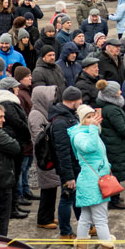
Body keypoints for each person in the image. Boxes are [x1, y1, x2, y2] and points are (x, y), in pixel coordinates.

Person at [69, 104, 117, 247]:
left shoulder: (88, 132)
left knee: (86, 217)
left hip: (92, 180)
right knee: (101, 219)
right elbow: (89, 148)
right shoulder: (80, 135)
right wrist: (94, 128)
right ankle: (107, 245)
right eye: (88, 117)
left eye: (92, 116)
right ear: (82, 120)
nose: (92, 119)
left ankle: (82, 245)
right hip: (94, 182)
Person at [96, 80, 125, 210]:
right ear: (112, 95)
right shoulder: (112, 110)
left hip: (111, 144)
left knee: (113, 172)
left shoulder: (106, 107)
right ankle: (114, 199)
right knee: (115, 173)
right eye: (118, 91)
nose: (121, 92)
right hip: (115, 146)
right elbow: (122, 129)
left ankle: (114, 197)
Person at [49, 86, 83, 239]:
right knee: (66, 198)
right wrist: (68, 176)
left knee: (76, 197)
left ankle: (84, 225)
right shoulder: (60, 122)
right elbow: (62, 152)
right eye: (80, 100)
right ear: (74, 101)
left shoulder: (69, 116)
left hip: (75, 165)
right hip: (68, 168)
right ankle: (65, 232)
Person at [0, 102, 23, 236]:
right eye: (0, 117)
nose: (4, 120)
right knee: (2, 219)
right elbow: (16, 148)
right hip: (1, 181)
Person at [28, 86, 61, 229]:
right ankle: (43, 219)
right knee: (48, 188)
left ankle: (48, 216)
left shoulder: (42, 112)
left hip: (48, 155)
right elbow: (39, 137)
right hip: (44, 157)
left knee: (51, 187)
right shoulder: (36, 115)